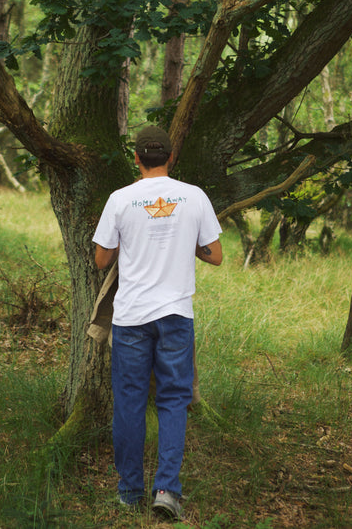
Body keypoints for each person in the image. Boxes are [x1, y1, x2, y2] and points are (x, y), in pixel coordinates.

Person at [93, 124, 222, 520]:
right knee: (172, 402)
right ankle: (167, 489)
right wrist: (187, 247)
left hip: (131, 317)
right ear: (170, 157)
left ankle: (130, 491)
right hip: (176, 315)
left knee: (129, 403)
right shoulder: (194, 196)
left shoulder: (121, 199)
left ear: (136, 158)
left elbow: (101, 260)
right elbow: (215, 254)